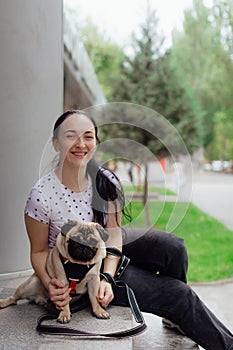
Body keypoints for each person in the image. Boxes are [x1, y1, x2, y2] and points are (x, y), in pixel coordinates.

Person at [25, 109, 233, 350]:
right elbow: (39, 251)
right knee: (178, 295)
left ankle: (175, 318)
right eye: (71, 136)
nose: (81, 144)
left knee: (173, 247)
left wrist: (108, 276)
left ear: (97, 142)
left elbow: (112, 233)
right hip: (77, 267)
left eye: (88, 136)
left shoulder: (105, 181)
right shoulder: (41, 196)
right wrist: (51, 283)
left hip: (104, 247)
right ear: (55, 143)